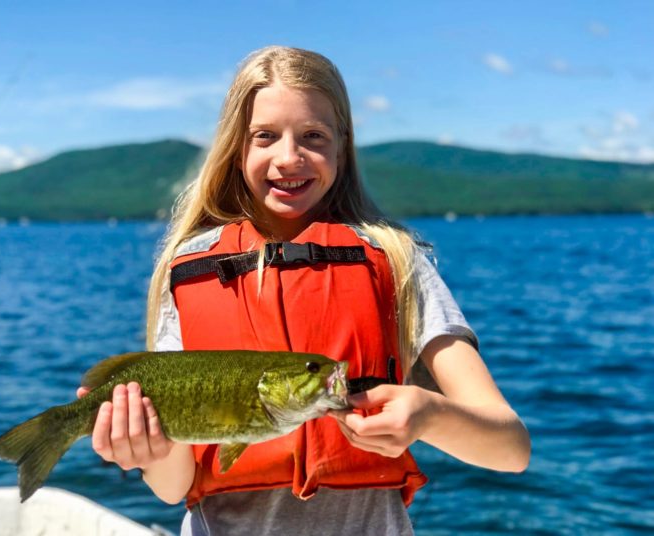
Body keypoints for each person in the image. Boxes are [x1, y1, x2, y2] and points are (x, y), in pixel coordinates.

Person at [78, 46, 530, 535]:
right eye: (265, 137)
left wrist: (432, 415)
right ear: (236, 147)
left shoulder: (396, 261)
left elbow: (510, 449)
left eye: (313, 136)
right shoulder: (190, 268)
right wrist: (147, 449)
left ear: (342, 143)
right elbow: (173, 487)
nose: (289, 158)